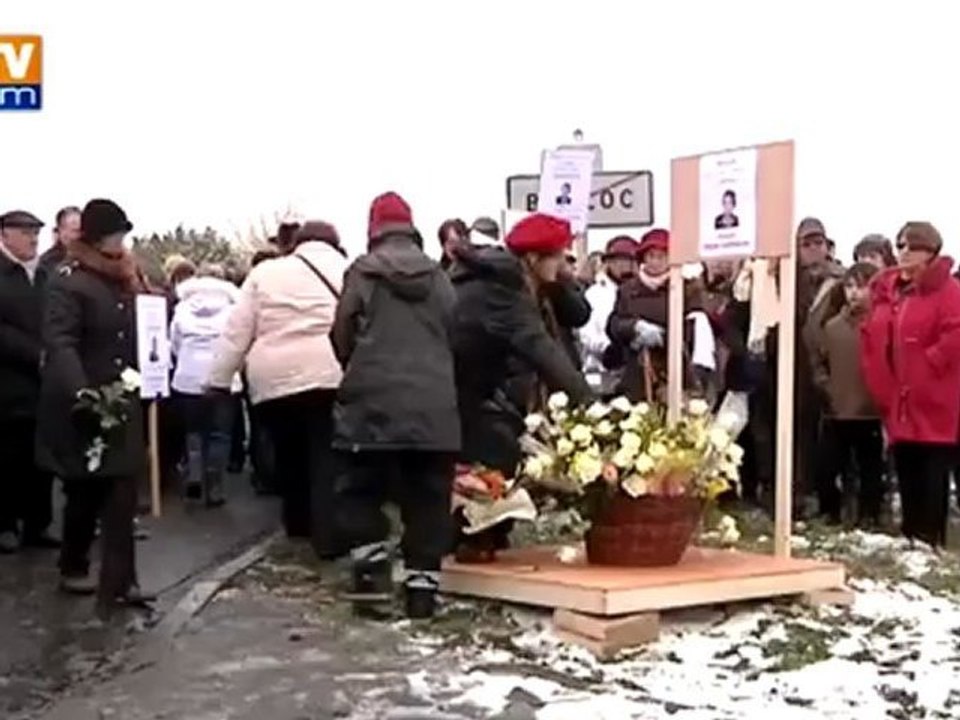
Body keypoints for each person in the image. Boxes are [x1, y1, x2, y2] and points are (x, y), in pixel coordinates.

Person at [330, 192, 459, 620]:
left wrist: (358, 367)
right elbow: (454, 329)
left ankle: (371, 585)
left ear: (373, 229)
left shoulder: (361, 273)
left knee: (361, 491)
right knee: (428, 498)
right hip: (432, 405)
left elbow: (342, 332)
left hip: (370, 403)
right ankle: (422, 593)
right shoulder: (438, 276)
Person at [37, 199, 153, 609]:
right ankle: (73, 564)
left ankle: (121, 581)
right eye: (114, 235)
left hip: (123, 396)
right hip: (86, 399)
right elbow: (61, 341)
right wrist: (81, 391)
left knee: (123, 491)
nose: (120, 243)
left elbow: (139, 330)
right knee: (85, 492)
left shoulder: (127, 277)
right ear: (96, 238)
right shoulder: (68, 280)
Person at [209, 220, 346, 557]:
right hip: (330, 371)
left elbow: (238, 330)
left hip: (274, 380)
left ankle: (297, 524)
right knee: (325, 455)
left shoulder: (265, 273)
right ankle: (327, 535)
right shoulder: (347, 270)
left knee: (289, 452)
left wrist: (218, 379)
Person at [861, 222, 960, 548]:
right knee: (906, 461)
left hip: (934, 395)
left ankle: (930, 537)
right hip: (898, 394)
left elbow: (956, 333)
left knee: (932, 464)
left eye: (910, 246)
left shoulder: (948, 290)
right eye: (899, 245)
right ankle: (911, 534)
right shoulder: (890, 291)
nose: (902, 252)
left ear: (930, 252)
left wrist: (930, 362)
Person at [0, 210, 59, 553]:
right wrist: (33, 353)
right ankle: (5, 523)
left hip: (44, 381)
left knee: (41, 456)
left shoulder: (45, 274)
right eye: (25, 233)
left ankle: (39, 524)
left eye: (36, 233)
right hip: (9, 381)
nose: (33, 239)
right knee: (9, 456)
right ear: (5, 235)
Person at [813, 262, 884, 527]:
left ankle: (869, 515)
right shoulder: (832, 327)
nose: (854, 293)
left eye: (862, 286)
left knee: (870, 469)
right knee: (828, 466)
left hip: (871, 411)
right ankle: (829, 511)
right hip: (837, 409)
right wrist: (826, 386)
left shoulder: (881, 324)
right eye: (849, 286)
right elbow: (819, 363)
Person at [606, 228, 713, 402]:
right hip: (637, 369)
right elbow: (614, 324)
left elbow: (694, 329)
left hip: (676, 369)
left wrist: (663, 336)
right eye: (651, 256)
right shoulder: (628, 289)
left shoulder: (686, 288)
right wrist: (634, 328)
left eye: (661, 256)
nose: (655, 262)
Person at [169, 263, 241, 506]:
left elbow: (174, 342)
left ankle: (194, 475)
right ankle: (215, 486)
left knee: (193, 431)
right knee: (220, 434)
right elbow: (238, 343)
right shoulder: (233, 309)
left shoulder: (182, 308)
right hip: (223, 377)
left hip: (188, 377)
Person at [579, 236, 639, 397]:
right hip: (600, 368)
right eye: (619, 261)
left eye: (630, 261)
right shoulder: (595, 294)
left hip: (635, 368)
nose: (625, 267)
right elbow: (585, 332)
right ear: (608, 263)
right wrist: (606, 348)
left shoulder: (640, 294)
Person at [37, 206, 81, 277]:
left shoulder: (90, 257)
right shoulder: (47, 262)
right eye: (75, 230)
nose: (80, 235)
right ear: (62, 232)